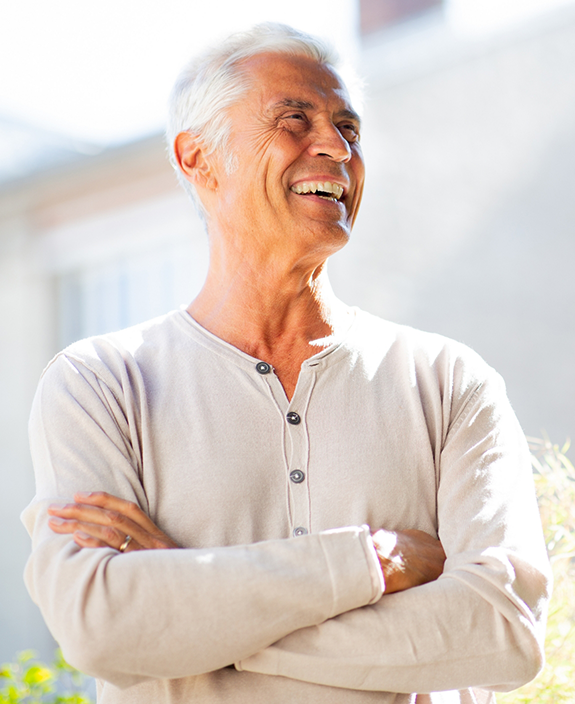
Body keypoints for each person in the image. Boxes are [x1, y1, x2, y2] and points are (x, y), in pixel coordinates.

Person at [22, 23, 551, 704]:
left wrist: (197, 611)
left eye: (348, 128)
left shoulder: (450, 383)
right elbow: (99, 628)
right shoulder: (99, 384)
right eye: (294, 120)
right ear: (200, 160)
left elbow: (503, 631)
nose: (336, 147)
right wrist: (367, 563)